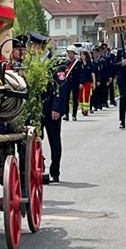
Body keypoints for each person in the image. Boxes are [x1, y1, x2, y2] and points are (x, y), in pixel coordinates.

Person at [32, 32, 72, 183]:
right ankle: (37, 168)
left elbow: (61, 87)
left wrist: (56, 108)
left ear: (41, 47)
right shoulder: (32, 63)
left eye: (34, 46)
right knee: (35, 140)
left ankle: (55, 170)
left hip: (51, 109)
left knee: (54, 139)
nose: (32, 49)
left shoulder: (56, 64)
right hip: (37, 110)